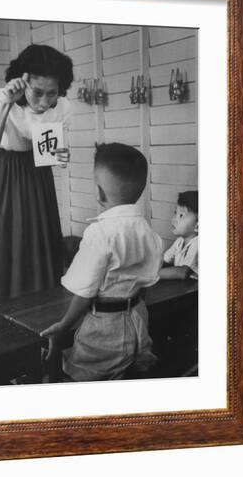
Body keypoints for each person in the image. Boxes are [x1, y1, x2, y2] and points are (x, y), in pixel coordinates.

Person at [41, 143, 163, 381]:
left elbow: (84, 292)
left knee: (83, 377)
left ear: (99, 192)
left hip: (104, 328)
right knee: (131, 373)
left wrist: (64, 325)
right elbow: (147, 281)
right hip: (139, 318)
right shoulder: (148, 231)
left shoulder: (99, 233)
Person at [0, 44, 73, 301]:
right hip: (6, 170)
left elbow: (48, 154)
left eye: (52, 94)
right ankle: (8, 297)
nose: (45, 102)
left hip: (38, 173)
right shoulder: (0, 97)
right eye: (38, 93)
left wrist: (62, 155)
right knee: (11, 231)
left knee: (39, 231)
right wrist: (8, 104)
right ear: (23, 81)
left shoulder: (62, 107)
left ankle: (41, 293)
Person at [160, 191, 198, 280]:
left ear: (197, 226)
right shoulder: (179, 241)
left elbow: (183, 271)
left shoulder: (197, 243)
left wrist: (149, 276)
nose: (174, 219)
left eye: (181, 215)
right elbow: (165, 261)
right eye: (175, 213)